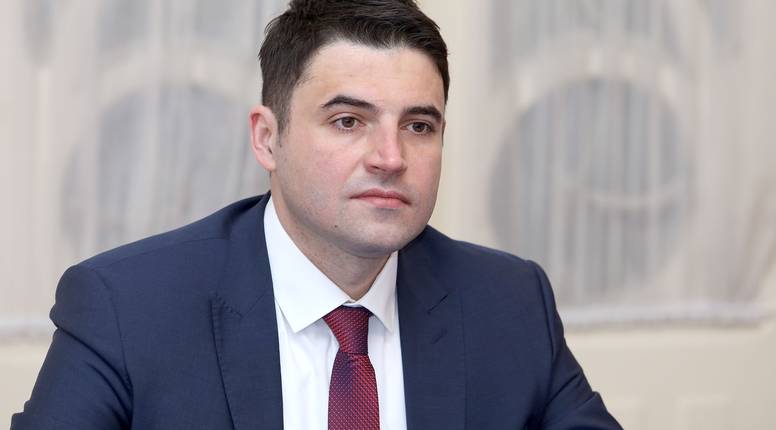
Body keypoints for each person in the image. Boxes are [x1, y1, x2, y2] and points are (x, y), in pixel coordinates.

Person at [12, 0, 621, 429]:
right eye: (348, 121)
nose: (390, 158)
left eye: (418, 126)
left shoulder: (509, 303)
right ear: (267, 138)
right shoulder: (127, 307)